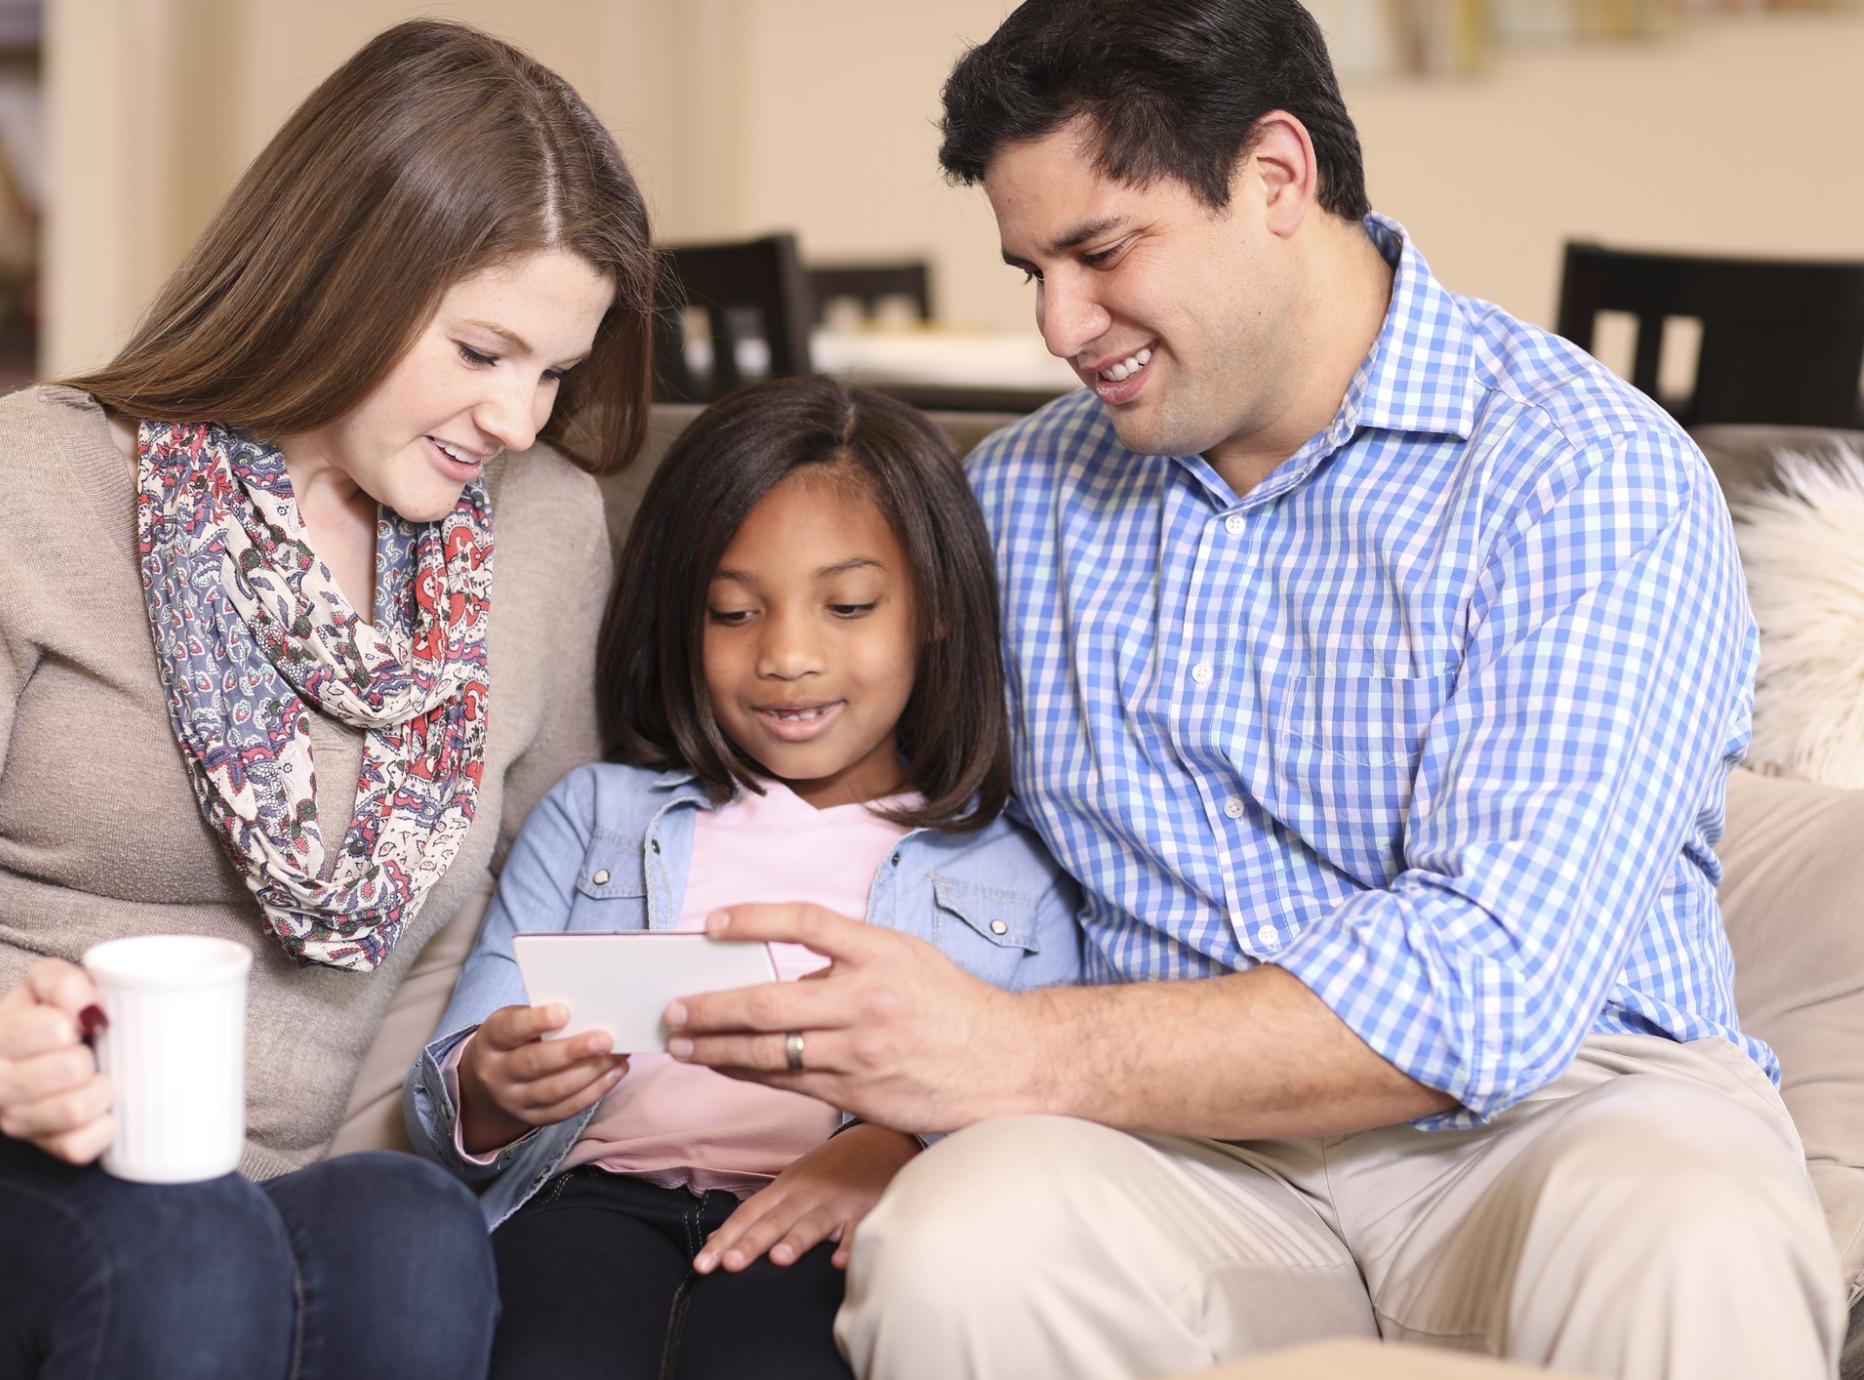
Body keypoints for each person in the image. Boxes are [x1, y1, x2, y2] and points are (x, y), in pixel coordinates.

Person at [661, 3, 1847, 1377]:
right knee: (960, 1246)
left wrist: (1001, 1052)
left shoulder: (1584, 475)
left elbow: (1494, 989)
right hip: (1178, 1156)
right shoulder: (1011, 502)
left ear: (1277, 177)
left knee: (1693, 1230)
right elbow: (841, 785)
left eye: (1101, 252)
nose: (1059, 323)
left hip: (1560, 1114)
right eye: (1031, 268)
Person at [0, 20, 654, 1379]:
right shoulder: (1, 491)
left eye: (555, 370)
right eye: (482, 351)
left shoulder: (541, 534)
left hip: (307, 1173)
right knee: (186, 1240)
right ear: (346, 274)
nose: (519, 421)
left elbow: (550, 903)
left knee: (411, 1230)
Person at [403, 375, 1082, 1379]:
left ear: (934, 610)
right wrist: (494, 1088)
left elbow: (1039, 1111)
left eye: (847, 605)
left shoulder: (1008, 869)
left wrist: (894, 1147)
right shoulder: (597, 813)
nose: (787, 655)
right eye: (732, 611)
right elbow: (460, 1073)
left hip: (829, 1225)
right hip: (591, 1202)